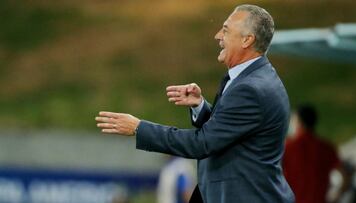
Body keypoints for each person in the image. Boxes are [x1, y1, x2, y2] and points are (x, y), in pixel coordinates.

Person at [96, 4, 294, 203]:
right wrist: (200, 106)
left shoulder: (250, 88)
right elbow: (228, 131)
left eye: (225, 30)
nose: (218, 36)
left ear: (247, 39)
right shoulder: (255, 78)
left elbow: (202, 143)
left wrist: (139, 128)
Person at [283, 104, 342, 203]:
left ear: (298, 122)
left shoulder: (287, 147)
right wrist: (335, 197)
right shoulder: (326, 147)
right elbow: (345, 175)